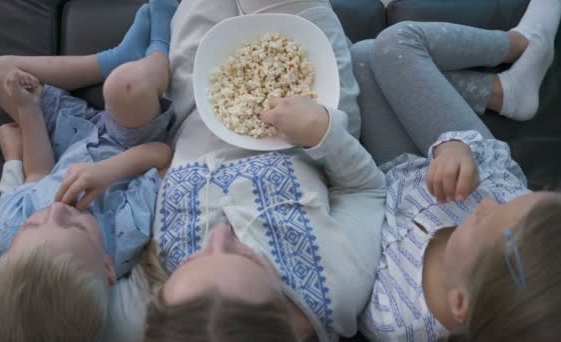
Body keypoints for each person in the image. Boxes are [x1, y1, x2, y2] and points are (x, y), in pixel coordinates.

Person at [141, 0, 387, 341]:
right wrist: (322, 133)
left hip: (199, 98)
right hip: (308, 104)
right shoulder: (338, 285)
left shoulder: (171, 308)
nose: (219, 236)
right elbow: (366, 191)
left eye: (194, 260)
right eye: (249, 257)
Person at [348, 0, 561, 340]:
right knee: (395, 45)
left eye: (484, 220)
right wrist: (455, 146)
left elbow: (353, 215)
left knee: (363, 57)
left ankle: (504, 88)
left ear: (459, 303)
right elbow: (497, 173)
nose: (486, 204)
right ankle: (521, 44)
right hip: (458, 155)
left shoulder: (392, 315)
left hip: (386, 183)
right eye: (510, 204)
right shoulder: (500, 205)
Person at [0, 1, 177, 341]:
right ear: (107, 267)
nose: (56, 210)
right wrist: (108, 170)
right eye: (75, 225)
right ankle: (160, 46)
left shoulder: (11, 227)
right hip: (125, 140)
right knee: (127, 87)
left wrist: (28, 111)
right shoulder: (124, 237)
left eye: (35, 222)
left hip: (67, 135)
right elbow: (162, 156)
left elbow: (38, 171)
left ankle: (114, 58)